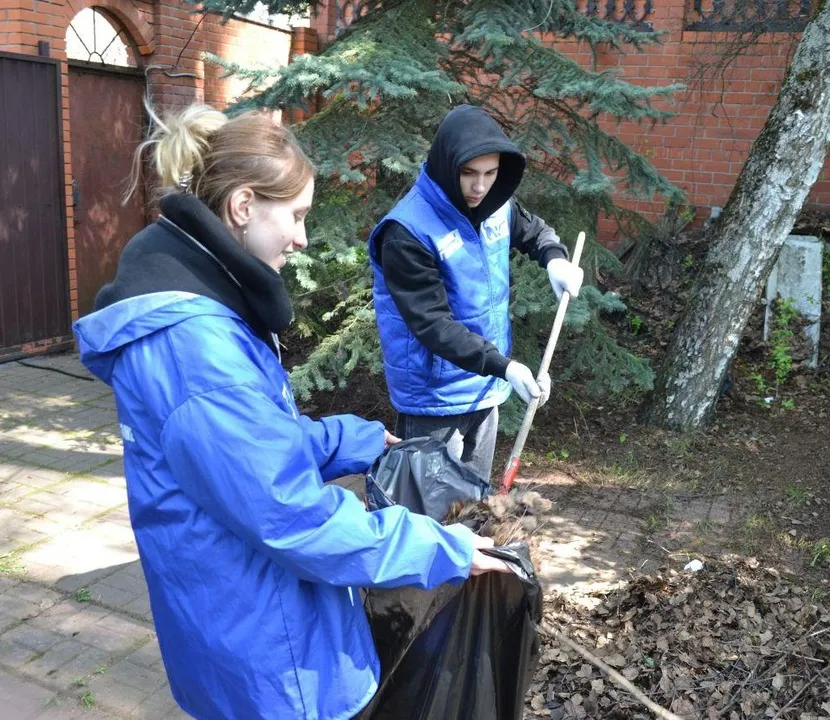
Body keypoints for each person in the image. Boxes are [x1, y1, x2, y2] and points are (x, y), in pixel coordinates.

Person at [72, 104, 508, 720]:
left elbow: (249, 450)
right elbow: (287, 515)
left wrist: (344, 440)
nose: (302, 237)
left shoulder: (203, 304)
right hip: (268, 645)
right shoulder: (196, 348)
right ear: (244, 206)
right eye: (297, 215)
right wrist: (438, 546)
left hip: (244, 608)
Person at [369, 105, 584, 483]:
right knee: (430, 516)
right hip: (433, 399)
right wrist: (505, 365)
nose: (480, 187)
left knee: (473, 507)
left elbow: (533, 230)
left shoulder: (495, 205)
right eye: (468, 173)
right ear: (446, 164)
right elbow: (433, 325)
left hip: (483, 389)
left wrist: (554, 260)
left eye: (490, 173)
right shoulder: (407, 232)